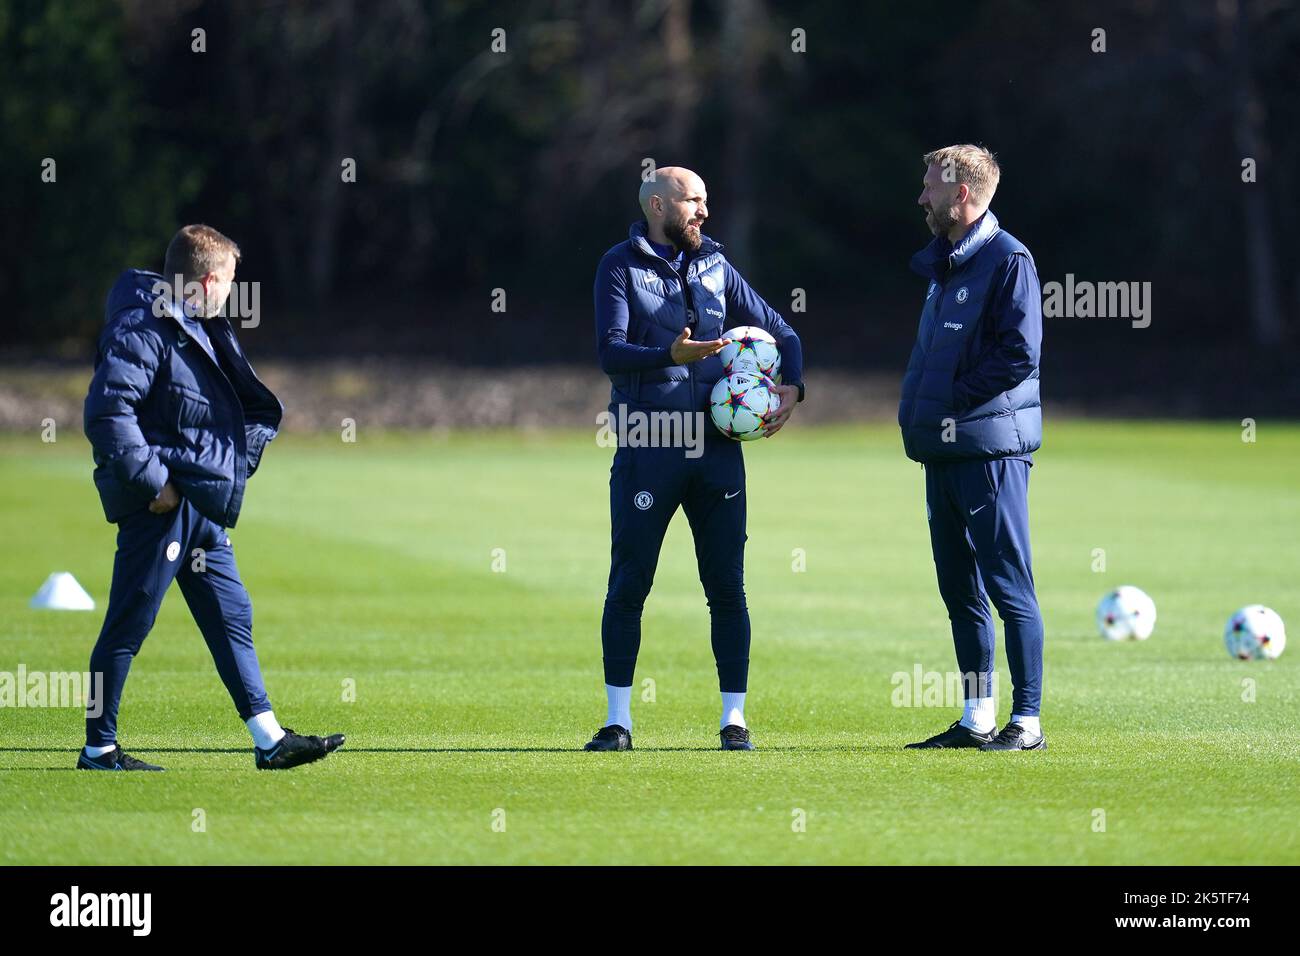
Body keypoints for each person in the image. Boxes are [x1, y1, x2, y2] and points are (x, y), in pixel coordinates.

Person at [80, 224, 345, 770]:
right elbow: (107, 416)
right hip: (162, 507)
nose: (231, 292)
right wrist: (155, 483)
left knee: (231, 616)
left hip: (198, 505)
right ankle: (98, 747)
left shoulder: (194, 324)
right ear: (205, 280)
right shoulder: (141, 328)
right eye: (227, 280)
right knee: (128, 625)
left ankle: (269, 739)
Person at [586, 167, 805, 752]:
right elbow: (610, 352)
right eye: (693, 201)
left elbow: (783, 333)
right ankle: (618, 723)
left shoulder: (715, 265)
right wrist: (669, 354)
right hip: (648, 445)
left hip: (715, 452)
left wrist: (794, 385)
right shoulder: (620, 265)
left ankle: (734, 721)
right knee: (629, 584)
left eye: (707, 200)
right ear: (658, 205)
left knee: (727, 587)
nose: (704, 212)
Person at [898, 146, 1047, 751]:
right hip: (943, 451)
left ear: (962, 193)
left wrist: (952, 400)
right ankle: (976, 717)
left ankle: (1028, 723)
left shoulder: (1010, 260)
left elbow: (1019, 355)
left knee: (1008, 586)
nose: (921, 197)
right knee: (959, 588)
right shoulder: (947, 263)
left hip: (988, 454)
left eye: (930, 186)